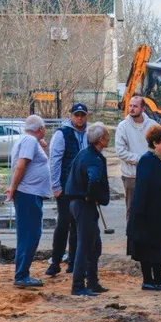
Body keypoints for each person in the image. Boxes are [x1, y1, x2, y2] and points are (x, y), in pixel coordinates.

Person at [127, 124, 161, 291]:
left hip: (158, 213)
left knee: (158, 246)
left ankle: (159, 279)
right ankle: (148, 280)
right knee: (146, 247)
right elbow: (146, 190)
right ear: (155, 143)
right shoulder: (147, 160)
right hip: (146, 214)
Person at [65, 122, 111, 297]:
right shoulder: (93, 159)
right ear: (101, 139)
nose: (109, 138)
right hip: (84, 204)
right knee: (85, 245)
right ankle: (78, 285)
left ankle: (92, 282)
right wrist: (92, 197)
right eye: (107, 136)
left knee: (94, 244)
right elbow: (94, 180)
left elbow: (72, 170)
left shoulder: (84, 154)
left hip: (78, 203)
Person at [5, 116, 51, 289]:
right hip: (28, 193)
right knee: (30, 235)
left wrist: (39, 143)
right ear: (41, 129)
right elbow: (21, 165)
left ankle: (22, 273)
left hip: (30, 193)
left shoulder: (29, 140)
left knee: (28, 234)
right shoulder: (30, 141)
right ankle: (22, 275)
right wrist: (13, 187)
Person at [46, 103, 90, 277]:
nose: (79, 118)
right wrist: (55, 186)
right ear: (71, 116)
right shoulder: (62, 134)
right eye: (76, 115)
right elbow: (55, 161)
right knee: (64, 223)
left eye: (82, 115)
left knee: (77, 225)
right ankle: (55, 261)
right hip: (65, 186)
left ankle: (73, 262)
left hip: (82, 187)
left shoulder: (89, 133)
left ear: (86, 116)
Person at [115, 95, 156, 228]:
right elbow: (121, 151)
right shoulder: (123, 126)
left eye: (135, 106)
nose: (131, 109)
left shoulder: (153, 125)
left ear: (143, 108)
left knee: (151, 209)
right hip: (131, 176)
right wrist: (142, 160)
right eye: (130, 106)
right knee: (132, 210)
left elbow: (160, 147)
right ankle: (132, 238)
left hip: (151, 175)